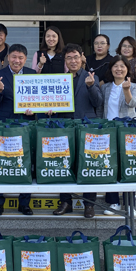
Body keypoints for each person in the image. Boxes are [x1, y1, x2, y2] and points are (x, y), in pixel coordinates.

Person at [52, 43, 104, 219]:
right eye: (69, 58)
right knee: (64, 165)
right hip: (65, 128)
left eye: (75, 57)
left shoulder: (91, 78)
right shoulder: (59, 79)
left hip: (86, 127)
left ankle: (89, 204)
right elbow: (54, 105)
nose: (73, 61)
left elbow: (98, 103)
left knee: (88, 165)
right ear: (65, 60)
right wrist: (50, 109)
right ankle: (66, 202)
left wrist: (91, 86)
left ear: (82, 57)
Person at [0, 44, 36, 216]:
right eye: (14, 57)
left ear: (25, 59)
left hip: (27, 123)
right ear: (8, 57)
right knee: (2, 161)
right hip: (6, 123)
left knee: (26, 161)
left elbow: (39, 100)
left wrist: (35, 109)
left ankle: (24, 203)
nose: (17, 61)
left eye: (21, 57)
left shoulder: (32, 74)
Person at [98, 55, 136, 216]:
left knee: (128, 166)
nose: (119, 69)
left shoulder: (134, 86)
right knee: (110, 166)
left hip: (127, 131)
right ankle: (113, 202)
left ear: (127, 69)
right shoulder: (105, 87)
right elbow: (100, 108)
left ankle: (130, 205)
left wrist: (126, 89)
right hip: (108, 131)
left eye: (122, 66)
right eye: (115, 66)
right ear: (111, 69)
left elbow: (133, 104)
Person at [116, 36, 136, 121]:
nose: (126, 49)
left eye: (130, 46)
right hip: (120, 104)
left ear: (134, 49)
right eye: (124, 46)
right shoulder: (116, 62)